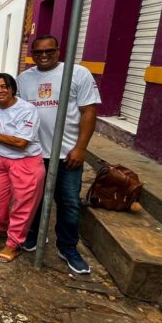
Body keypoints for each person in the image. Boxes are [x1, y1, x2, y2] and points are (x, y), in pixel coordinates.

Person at [17, 35, 101, 274]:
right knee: (34, 199)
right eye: (39, 52)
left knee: (69, 203)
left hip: (67, 153)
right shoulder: (24, 79)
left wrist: (81, 147)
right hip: (33, 152)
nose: (44, 55)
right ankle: (34, 235)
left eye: (49, 51)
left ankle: (67, 246)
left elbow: (89, 112)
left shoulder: (78, 74)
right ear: (32, 52)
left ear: (59, 50)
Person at [0, 74, 45, 263]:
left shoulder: (26, 109)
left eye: (3, 86)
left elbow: (21, 142)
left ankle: (13, 244)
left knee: (23, 206)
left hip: (26, 162)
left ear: (12, 88)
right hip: (1, 161)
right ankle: (2, 228)